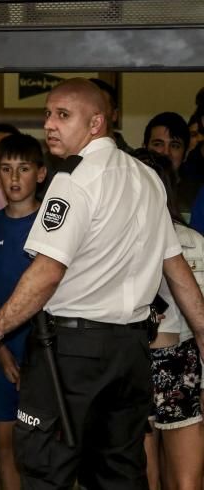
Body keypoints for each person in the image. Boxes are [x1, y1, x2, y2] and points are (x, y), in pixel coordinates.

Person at [0, 78, 204, 490]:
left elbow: (46, 272)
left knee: (45, 469)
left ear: (96, 123)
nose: (49, 124)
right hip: (129, 353)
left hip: (72, 353)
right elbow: (175, 267)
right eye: (48, 114)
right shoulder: (146, 178)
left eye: (62, 115)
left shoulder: (74, 181)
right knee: (119, 474)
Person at [132, 149, 204, 490]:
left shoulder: (190, 242)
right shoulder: (109, 243)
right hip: (132, 361)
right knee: (144, 478)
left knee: (187, 481)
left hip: (181, 362)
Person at [0, 134, 48, 490]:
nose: (14, 178)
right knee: (5, 448)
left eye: (23, 169)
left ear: (40, 173)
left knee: (44, 449)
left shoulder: (55, 226)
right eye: (6, 169)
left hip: (48, 352)